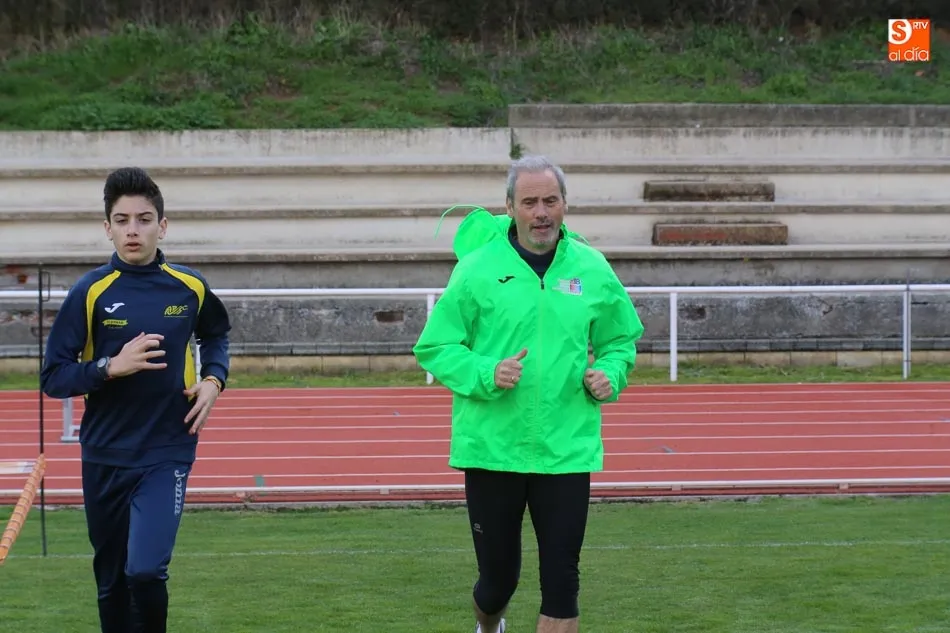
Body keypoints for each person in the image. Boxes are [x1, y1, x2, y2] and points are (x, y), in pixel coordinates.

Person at [413, 155, 645, 633]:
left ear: (565, 205)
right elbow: (435, 346)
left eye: (551, 201)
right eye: (530, 202)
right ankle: (489, 624)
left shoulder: (592, 268)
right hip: (492, 448)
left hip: (566, 448)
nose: (541, 212)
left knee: (563, 584)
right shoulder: (477, 269)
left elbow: (620, 340)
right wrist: (486, 371)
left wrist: (610, 373)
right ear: (510, 207)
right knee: (497, 583)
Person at [40, 166, 231, 633]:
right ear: (107, 228)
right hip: (105, 453)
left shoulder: (189, 286)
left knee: (145, 570)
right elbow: (54, 376)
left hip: (168, 448)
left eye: (144, 219)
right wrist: (109, 367)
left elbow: (216, 335)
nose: (133, 230)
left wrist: (213, 380)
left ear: (162, 226)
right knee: (111, 583)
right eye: (122, 220)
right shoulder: (90, 292)